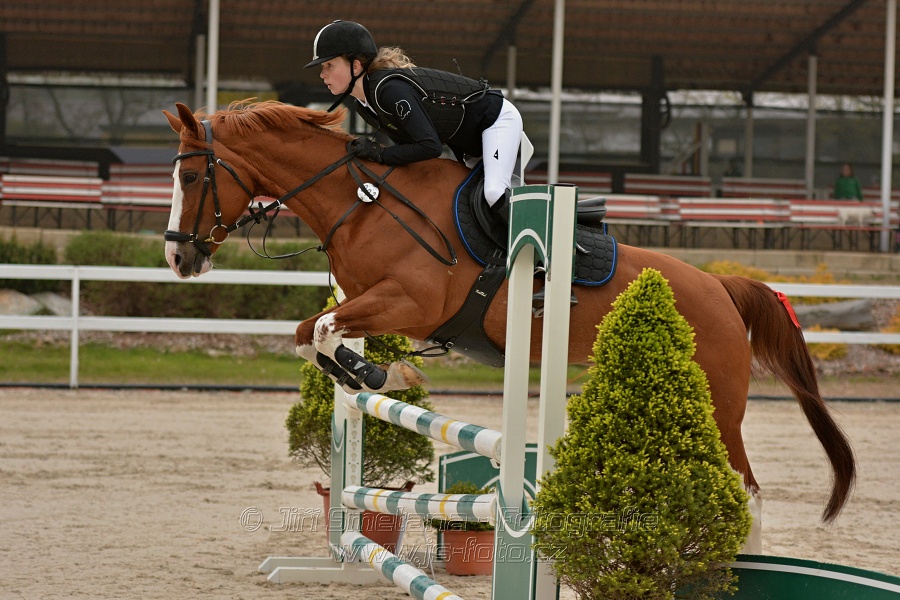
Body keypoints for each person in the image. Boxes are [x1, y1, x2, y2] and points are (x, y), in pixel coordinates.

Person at [304, 20, 523, 221]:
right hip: (468, 143)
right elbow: (409, 150)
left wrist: (379, 153)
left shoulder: (390, 90)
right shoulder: (364, 105)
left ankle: (534, 245)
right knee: (467, 200)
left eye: (329, 65)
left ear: (356, 66)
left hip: (494, 119)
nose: (323, 74)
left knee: (493, 193)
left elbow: (430, 147)